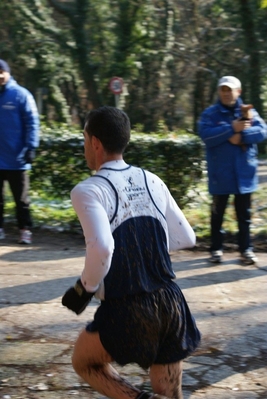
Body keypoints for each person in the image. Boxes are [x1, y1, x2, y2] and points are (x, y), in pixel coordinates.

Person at [62, 106, 201, 399]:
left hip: (129, 310)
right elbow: (186, 237)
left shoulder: (88, 190)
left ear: (95, 143)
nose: (85, 146)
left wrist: (83, 289)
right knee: (170, 393)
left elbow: (102, 248)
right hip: (171, 303)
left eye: (85, 139)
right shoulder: (152, 179)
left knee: (84, 362)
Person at [198, 75, 267, 265]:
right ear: (219, 91)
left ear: (239, 92)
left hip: (244, 175)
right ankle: (216, 250)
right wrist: (231, 129)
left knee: (244, 217)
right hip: (221, 174)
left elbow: (262, 131)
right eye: (223, 89)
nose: (227, 93)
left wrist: (241, 135)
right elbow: (205, 135)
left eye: (230, 89)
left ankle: (246, 251)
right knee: (217, 215)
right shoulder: (210, 114)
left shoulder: (249, 112)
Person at [0, 59, 39, 244]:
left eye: (2, 71)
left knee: (21, 200)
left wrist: (31, 147)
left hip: (17, 158)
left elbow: (32, 122)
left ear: (8, 73)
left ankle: (25, 230)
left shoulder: (21, 95)